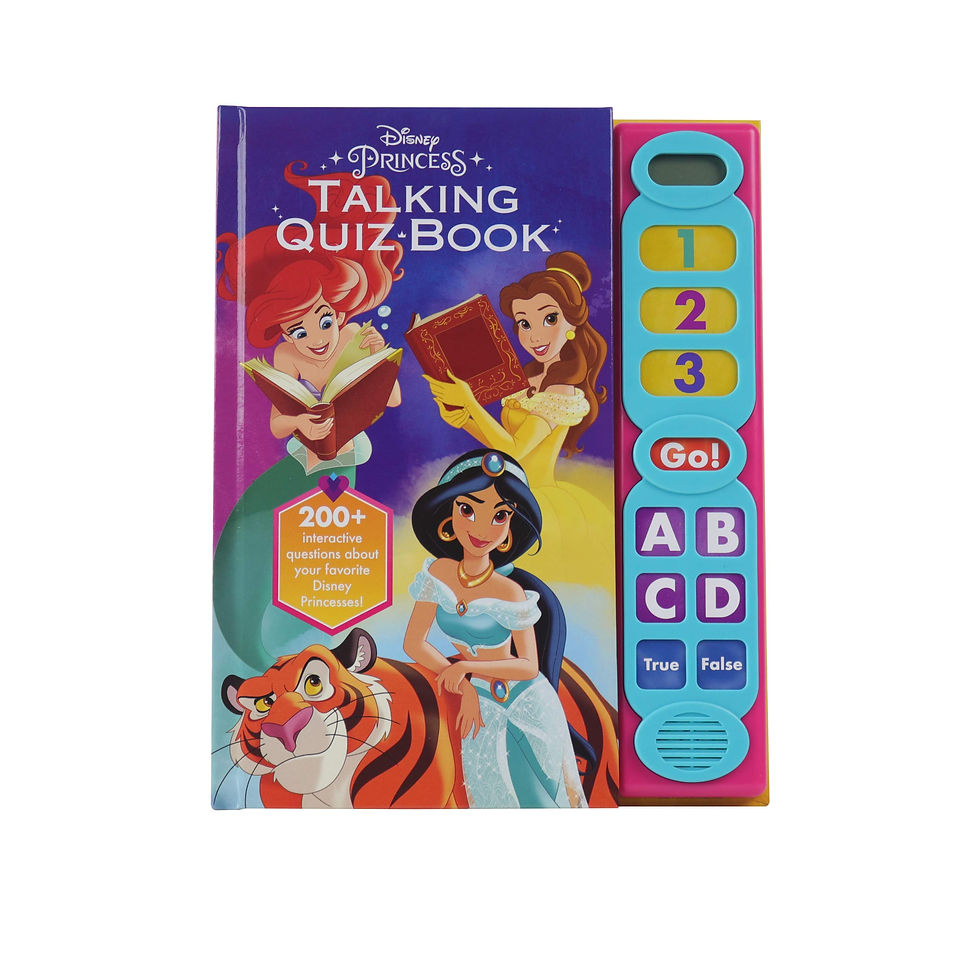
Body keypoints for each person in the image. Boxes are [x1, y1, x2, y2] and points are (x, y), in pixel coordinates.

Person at [213, 165, 403, 674]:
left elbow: (392, 399)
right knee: (291, 542)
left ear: (339, 310)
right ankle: (268, 652)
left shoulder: (356, 337)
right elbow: (278, 423)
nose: (315, 338)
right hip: (305, 460)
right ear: (282, 332)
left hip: (347, 459)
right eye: (298, 330)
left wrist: (378, 360)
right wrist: (301, 424)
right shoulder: (286, 358)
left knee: (340, 553)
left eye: (322, 320)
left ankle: (325, 649)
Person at [403, 449, 587, 808]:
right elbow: (414, 643)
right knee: (490, 796)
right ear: (448, 514)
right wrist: (464, 684)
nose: (482, 528)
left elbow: (528, 666)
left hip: (528, 702)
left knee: (542, 801)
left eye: (500, 515)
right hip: (481, 703)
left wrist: (466, 668)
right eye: (467, 510)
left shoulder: (510, 592)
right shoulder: (438, 573)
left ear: (509, 529)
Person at [424, 252, 611, 584]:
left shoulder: (562, 390)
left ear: (572, 324)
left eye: (549, 319)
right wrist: (463, 419)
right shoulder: (528, 380)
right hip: (504, 494)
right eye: (524, 323)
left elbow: (513, 451)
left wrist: (471, 403)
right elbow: (500, 444)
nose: (535, 336)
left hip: (536, 500)